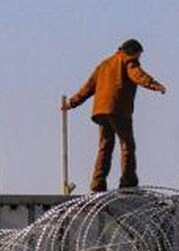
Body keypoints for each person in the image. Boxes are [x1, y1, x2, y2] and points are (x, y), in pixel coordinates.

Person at [62, 39, 167, 192]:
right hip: (118, 110)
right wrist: (155, 85)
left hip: (100, 111)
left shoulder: (104, 64)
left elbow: (88, 87)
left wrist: (72, 103)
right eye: (138, 56)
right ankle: (128, 182)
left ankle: (98, 183)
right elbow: (137, 75)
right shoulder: (128, 61)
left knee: (105, 146)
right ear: (133, 52)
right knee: (127, 145)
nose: (139, 60)